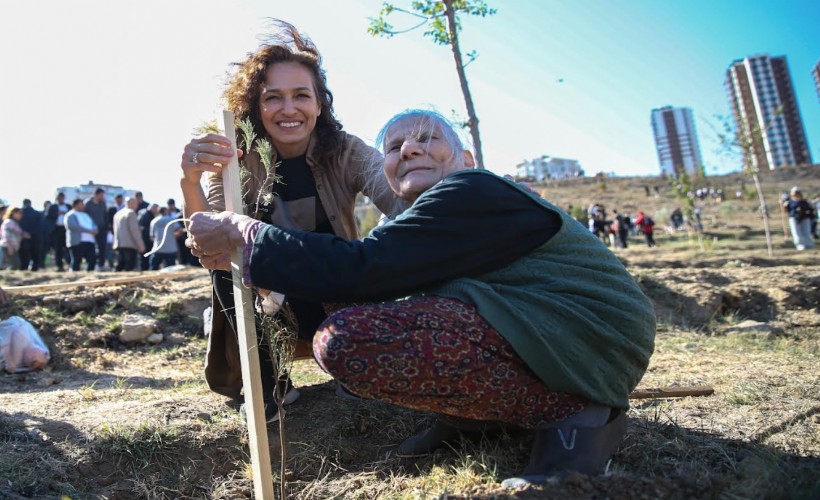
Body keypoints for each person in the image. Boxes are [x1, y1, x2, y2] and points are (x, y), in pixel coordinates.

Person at [186, 109, 656, 486]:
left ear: (466, 159)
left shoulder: (473, 189)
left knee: (349, 339)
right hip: (540, 333)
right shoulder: (422, 219)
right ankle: (480, 417)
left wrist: (242, 229)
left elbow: (362, 268)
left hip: (588, 342)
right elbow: (351, 275)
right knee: (341, 305)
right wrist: (240, 257)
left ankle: (578, 412)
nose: (409, 147)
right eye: (393, 146)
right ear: (387, 172)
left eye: (428, 139)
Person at [179, 20, 400, 420]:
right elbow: (204, 243)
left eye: (301, 95)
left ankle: (356, 367)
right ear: (255, 106)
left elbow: (397, 198)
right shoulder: (234, 162)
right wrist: (189, 179)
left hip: (339, 295)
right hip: (272, 306)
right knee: (228, 265)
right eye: (273, 98)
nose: (289, 109)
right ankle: (268, 389)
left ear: (319, 104)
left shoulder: (347, 151)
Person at [112, 197, 145, 271]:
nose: (137, 205)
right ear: (132, 203)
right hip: (130, 244)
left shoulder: (117, 214)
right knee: (129, 267)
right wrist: (140, 244)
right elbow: (134, 230)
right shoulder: (131, 213)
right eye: (136, 203)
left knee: (119, 266)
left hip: (119, 243)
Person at [65, 199, 98, 272]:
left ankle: (89, 274)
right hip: (77, 241)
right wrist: (89, 231)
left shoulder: (86, 215)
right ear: (76, 205)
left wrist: (95, 229)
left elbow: (93, 224)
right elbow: (73, 226)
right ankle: (74, 274)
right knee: (77, 260)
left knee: (92, 259)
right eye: (81, 204)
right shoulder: (70, 215)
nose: (84, 205)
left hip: (89, 240)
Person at [84, 188, 108, 270]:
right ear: (96, 194)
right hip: (91, 229)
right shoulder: (87, 203)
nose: (103, 197)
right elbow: (85, 216)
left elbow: (105, 215)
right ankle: (90, 265)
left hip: (102, 229)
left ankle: (101, 265)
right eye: (101, 195)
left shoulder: (103, 203)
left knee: (102, 247)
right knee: (91, 248)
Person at [46, 192, 71, 271]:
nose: (61, 199)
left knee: (68, 247)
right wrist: (57, 214)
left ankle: (69, 263)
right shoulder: (53, 207)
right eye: (59, 198)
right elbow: (48, 217)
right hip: (56, 229)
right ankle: (59, 265)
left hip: (66, 229)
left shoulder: (68, 206)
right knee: (58, 248)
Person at [18, 199, 43, 271]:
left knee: (24, 254)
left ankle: (24, 267)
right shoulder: (37, 213)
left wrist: (24, 232)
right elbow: (41, 226)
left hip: (23, 236)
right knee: (35, 253)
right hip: (36, 236)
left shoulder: (20, 213)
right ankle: (34, 267)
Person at [138, 203, 159, 270]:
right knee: (145, 257)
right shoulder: (146, 215)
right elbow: (143, 228)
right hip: (146, 239)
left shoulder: (145, 214)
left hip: (146, 239)